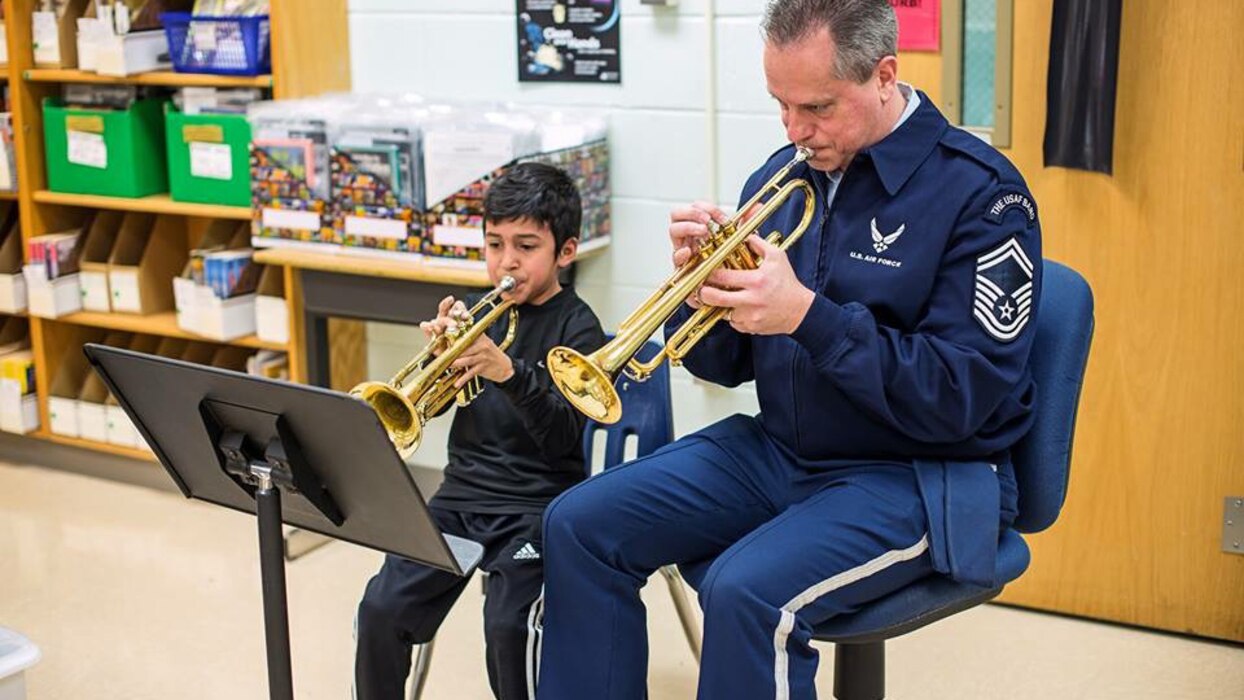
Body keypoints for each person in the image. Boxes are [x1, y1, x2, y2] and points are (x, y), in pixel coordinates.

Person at [536, 1, 1042, 698]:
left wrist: (807, 316)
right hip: (784, 451)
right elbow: (728, 366)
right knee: (577, 524)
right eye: (780, 104)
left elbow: (958, 398)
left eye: (817, 107)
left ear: (884, 76)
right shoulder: (785, 178)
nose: (796, 131)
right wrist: (699, 294)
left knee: (748, 594)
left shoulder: (982, 197)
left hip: (921, 473)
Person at [355, 162, 606, 700]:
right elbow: (438, 410)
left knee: (508, 628)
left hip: (538, 508)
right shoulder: (479, 315)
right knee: (380, 608)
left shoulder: (578, 326)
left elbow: (564, 439)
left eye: (525, 246)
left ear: (565, 251)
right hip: (461, 498)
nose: (506, 262)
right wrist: (439, 367)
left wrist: (510, 373)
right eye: (494, 244)